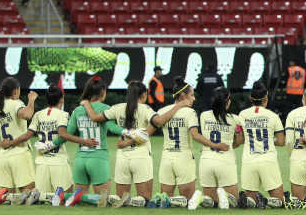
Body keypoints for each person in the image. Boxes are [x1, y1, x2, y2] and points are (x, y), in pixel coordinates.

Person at [82, 81, 186, 207]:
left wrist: (86, 103)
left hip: (122, 158)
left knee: (121, 201)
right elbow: (159, 121)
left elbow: (95, 118)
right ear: (144, 95)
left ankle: (112, 198)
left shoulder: (117, 108)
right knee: (145, 200)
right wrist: (178, 105)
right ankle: (136, 200)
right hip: (141, 157)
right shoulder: (145, 109)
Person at [56, 77, 125, 206]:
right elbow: (111, 127)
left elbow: (66, 134)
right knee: (103, 200)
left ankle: (63, 195)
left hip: (80, 159)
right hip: (98, 158)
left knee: (80, 200)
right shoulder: (106, 108)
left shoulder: (78, 110)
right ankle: (65, 195)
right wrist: (127, 132)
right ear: (103, 92)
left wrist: (51, 144)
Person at [153, 77, 217, 209]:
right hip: (184, 158)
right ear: (183, 95)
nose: (194, 99)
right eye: (192, 95)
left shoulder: (162, 111)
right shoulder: (190, 112)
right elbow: (194, 135)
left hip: (166, 159)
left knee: (166, 203)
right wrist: (213, 145)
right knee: (189, 203)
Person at [0, 77, 37, 205]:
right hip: (20, 155)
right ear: (15, 91)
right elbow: (27, 114)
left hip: (3, 158)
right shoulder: (16, 103)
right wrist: (31, 100)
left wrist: (3, 146)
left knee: (9, 199)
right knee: (29, 196)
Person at [237, 81, 287, 208]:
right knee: (279, 202)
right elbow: (281, 141)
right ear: (266, 98)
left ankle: (258, 201)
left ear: (251, 98)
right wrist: (269, 142)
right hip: (268, 160)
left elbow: (240, 140)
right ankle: (266, 201)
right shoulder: (273, 116)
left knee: (250, 203)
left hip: (249, 160)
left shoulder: (242, 115)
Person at [197, 87, 244, 209]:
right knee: (234, 202)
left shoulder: (203, 116)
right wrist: (231, 145)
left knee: (211, 203)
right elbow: (239, 141)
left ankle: (204, 199)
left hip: (206, 161)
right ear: (228, 102)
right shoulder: (235, 119)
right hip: (225, 162)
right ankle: (224, 197)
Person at [26, 86, 72, 204]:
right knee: (67, 196)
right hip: (59, 161)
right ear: (61, 99)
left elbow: (28, 134)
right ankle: (57, 195)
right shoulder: (63, 114)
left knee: (42, 199)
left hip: (41, 162)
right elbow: (64, 135)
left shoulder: (38, 114)